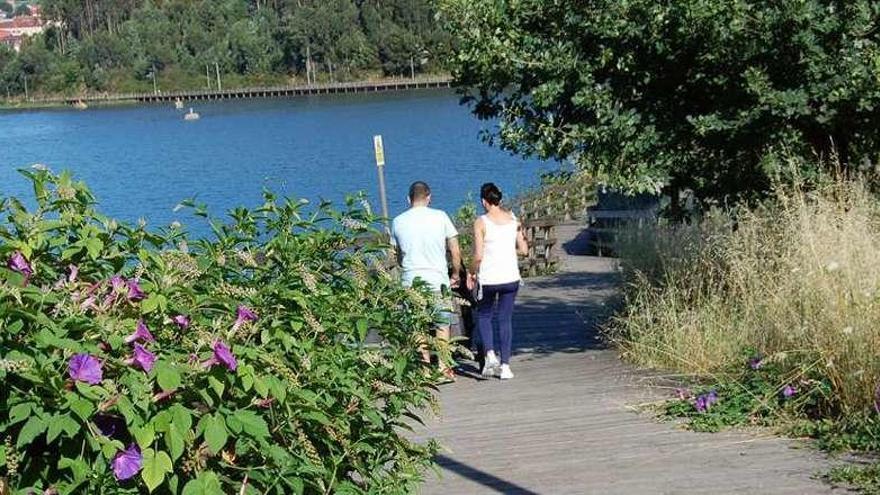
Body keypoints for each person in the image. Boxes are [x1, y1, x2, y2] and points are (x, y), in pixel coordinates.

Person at [391, 181, 462, 380]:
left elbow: (397, 255)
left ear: (408, 199)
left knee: (417, 326)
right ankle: (442, 367)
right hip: (437, 280)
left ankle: (423, 368)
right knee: (442, 325)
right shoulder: (441, 217)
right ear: (429, 197)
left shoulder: (398, 221)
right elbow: (455, 250)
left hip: (411, 282)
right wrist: (455, 274)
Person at [467, 183, 528, 379]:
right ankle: (506, 366)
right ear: (499, 200)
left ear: (484, 201)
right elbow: (524, 250)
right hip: (510, 277)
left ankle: (490, 354)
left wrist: (471, 272)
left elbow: (477, 255)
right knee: (505, 319)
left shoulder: (481, 222)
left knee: (484, 316)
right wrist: (507, 251)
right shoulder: (513, 219)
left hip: (489, 278)